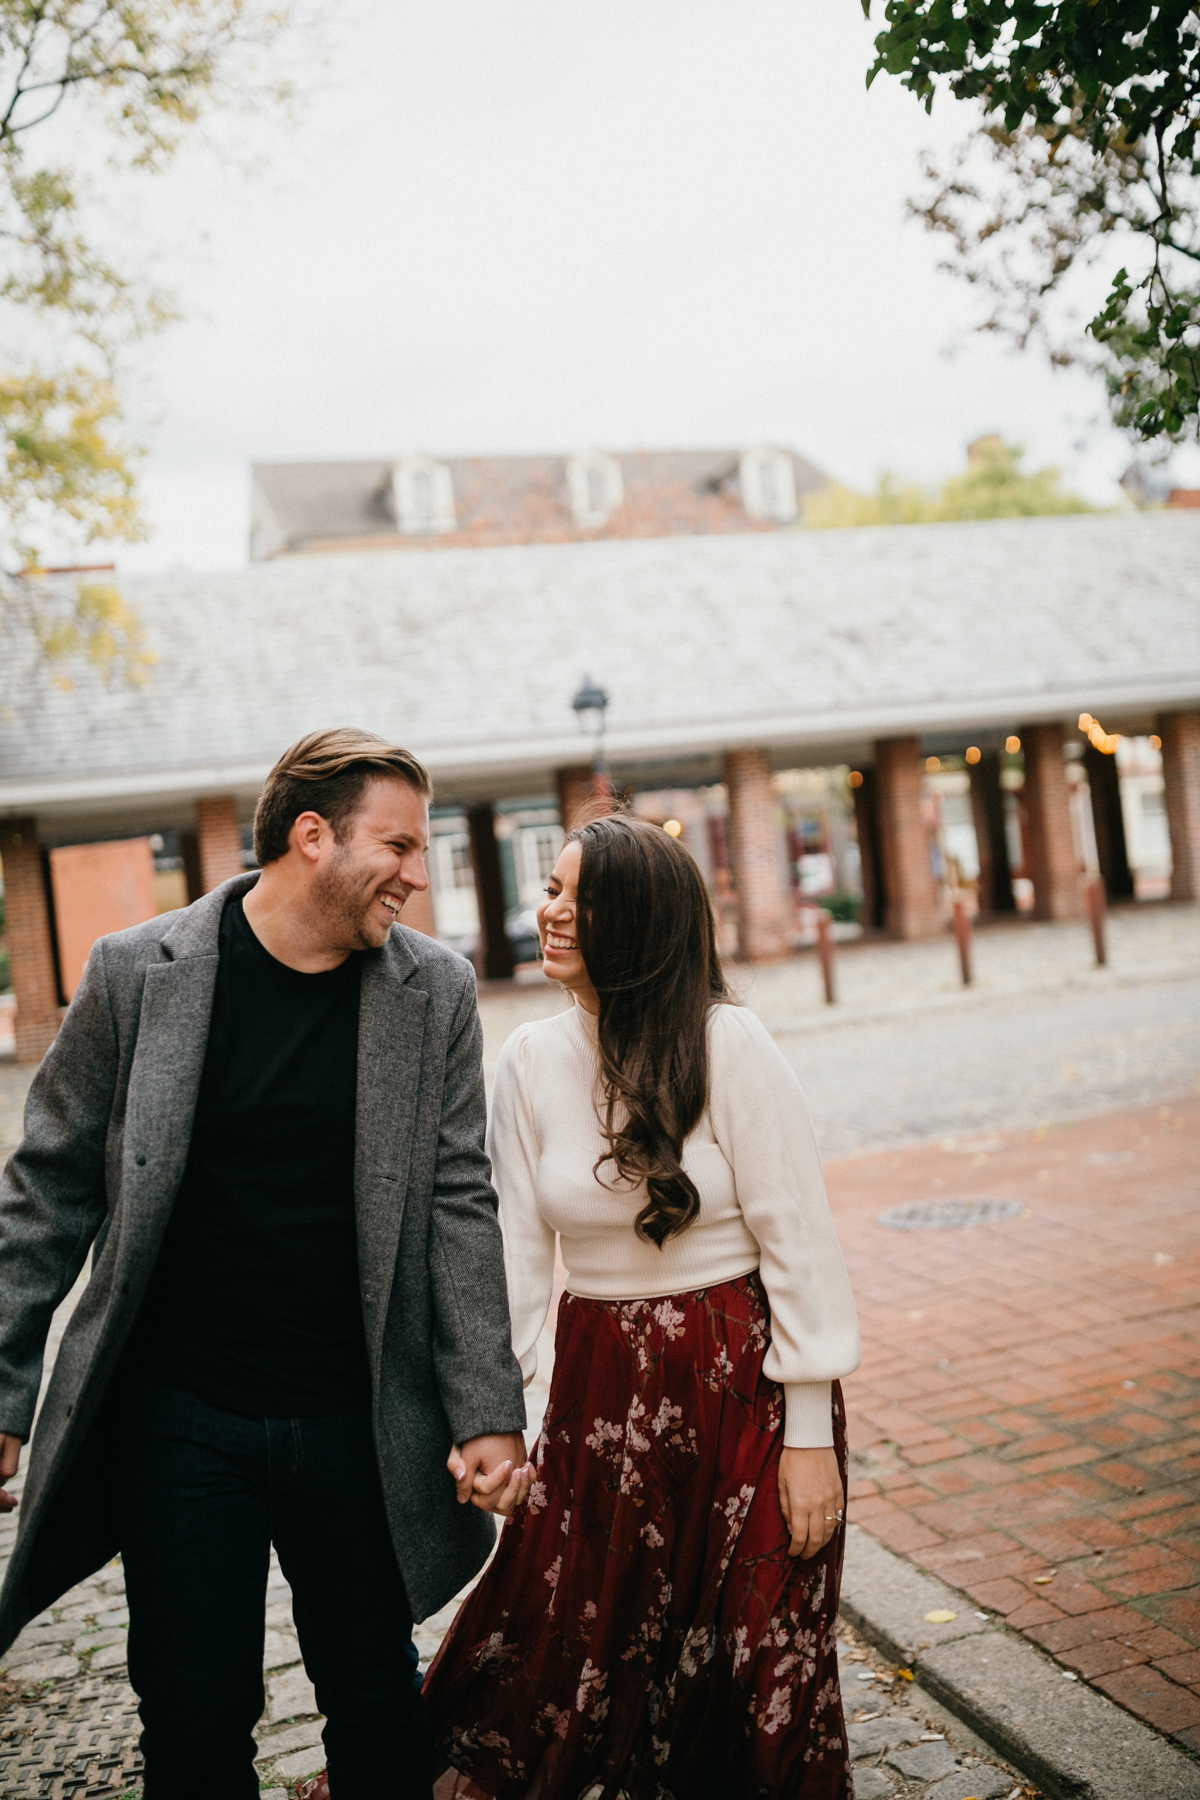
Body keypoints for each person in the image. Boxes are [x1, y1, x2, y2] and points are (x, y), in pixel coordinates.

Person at [0, 727, 534, 1800]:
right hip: (181, 1418)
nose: (419, 877)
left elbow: (456, 1201)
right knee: (194, 1721)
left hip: (358, 1414)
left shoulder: (435, 992)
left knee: (379, 1706)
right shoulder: (135, 976)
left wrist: (486, 1406)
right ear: (311, 838)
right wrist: (3, 1392)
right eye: (397, 845)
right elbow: (47, 1189)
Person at [425, 813, 862, 1799]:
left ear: (643, 921)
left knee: (767, 1652)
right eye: (550, 890)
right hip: (604, 1392)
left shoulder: (728, 1043)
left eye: (578, 896)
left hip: (747, 1386)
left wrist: (805, 1435)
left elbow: (800, 1238)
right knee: (604, 1646)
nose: (551, 913)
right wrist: (504, 1418)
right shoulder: (529, 1062)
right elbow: (513, 1262)